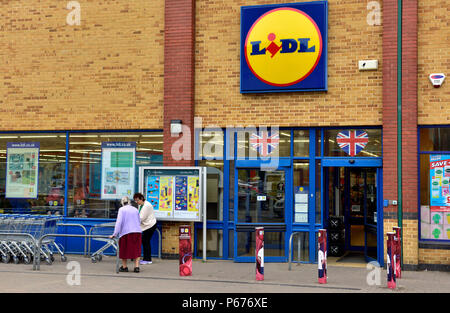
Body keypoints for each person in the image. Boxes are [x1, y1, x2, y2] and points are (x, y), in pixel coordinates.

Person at [110, 196, 142, 273]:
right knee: (136, 249)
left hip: (126, 232)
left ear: (122, 202)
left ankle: (124, 267)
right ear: (129, 202)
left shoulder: (121, 210)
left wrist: (114, 234)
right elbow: (139, 221)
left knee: (124, 249)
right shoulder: (135, 209)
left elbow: (119, 223)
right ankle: (136, 267)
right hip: (137, 231)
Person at [133, 192, 157, 265]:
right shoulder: (141, 205)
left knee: (145, 241)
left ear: (141, 199)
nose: (136, 202)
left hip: (150, 225)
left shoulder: (146, 206)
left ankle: (148, 259)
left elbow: (141, 218)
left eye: (137, 200)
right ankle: (146, 258)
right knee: (145, 241)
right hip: (146, 225)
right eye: (135, 200)